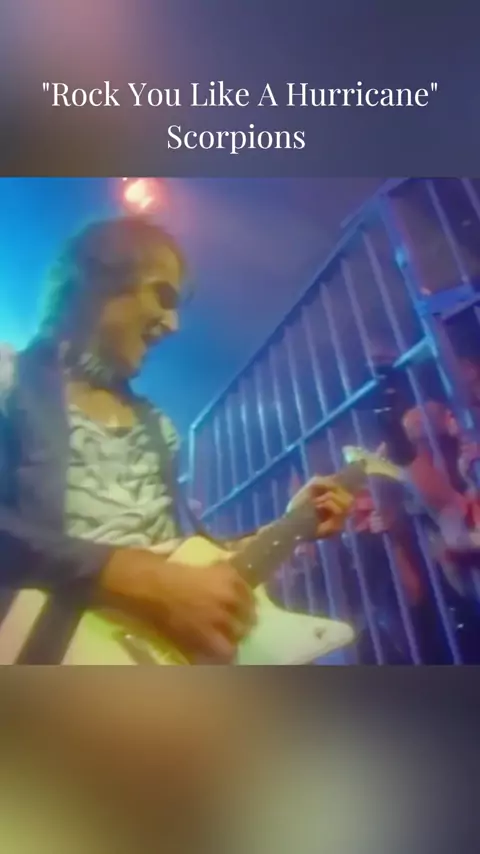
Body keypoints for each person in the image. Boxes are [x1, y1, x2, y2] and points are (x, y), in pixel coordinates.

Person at [0, 215, 353, 664]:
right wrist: (127, 575)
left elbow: (180, 558)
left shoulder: (157, 427)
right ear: (95, 278)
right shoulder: (10, 380)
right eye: (162, 296)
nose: (173, 324)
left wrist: (288, 524)